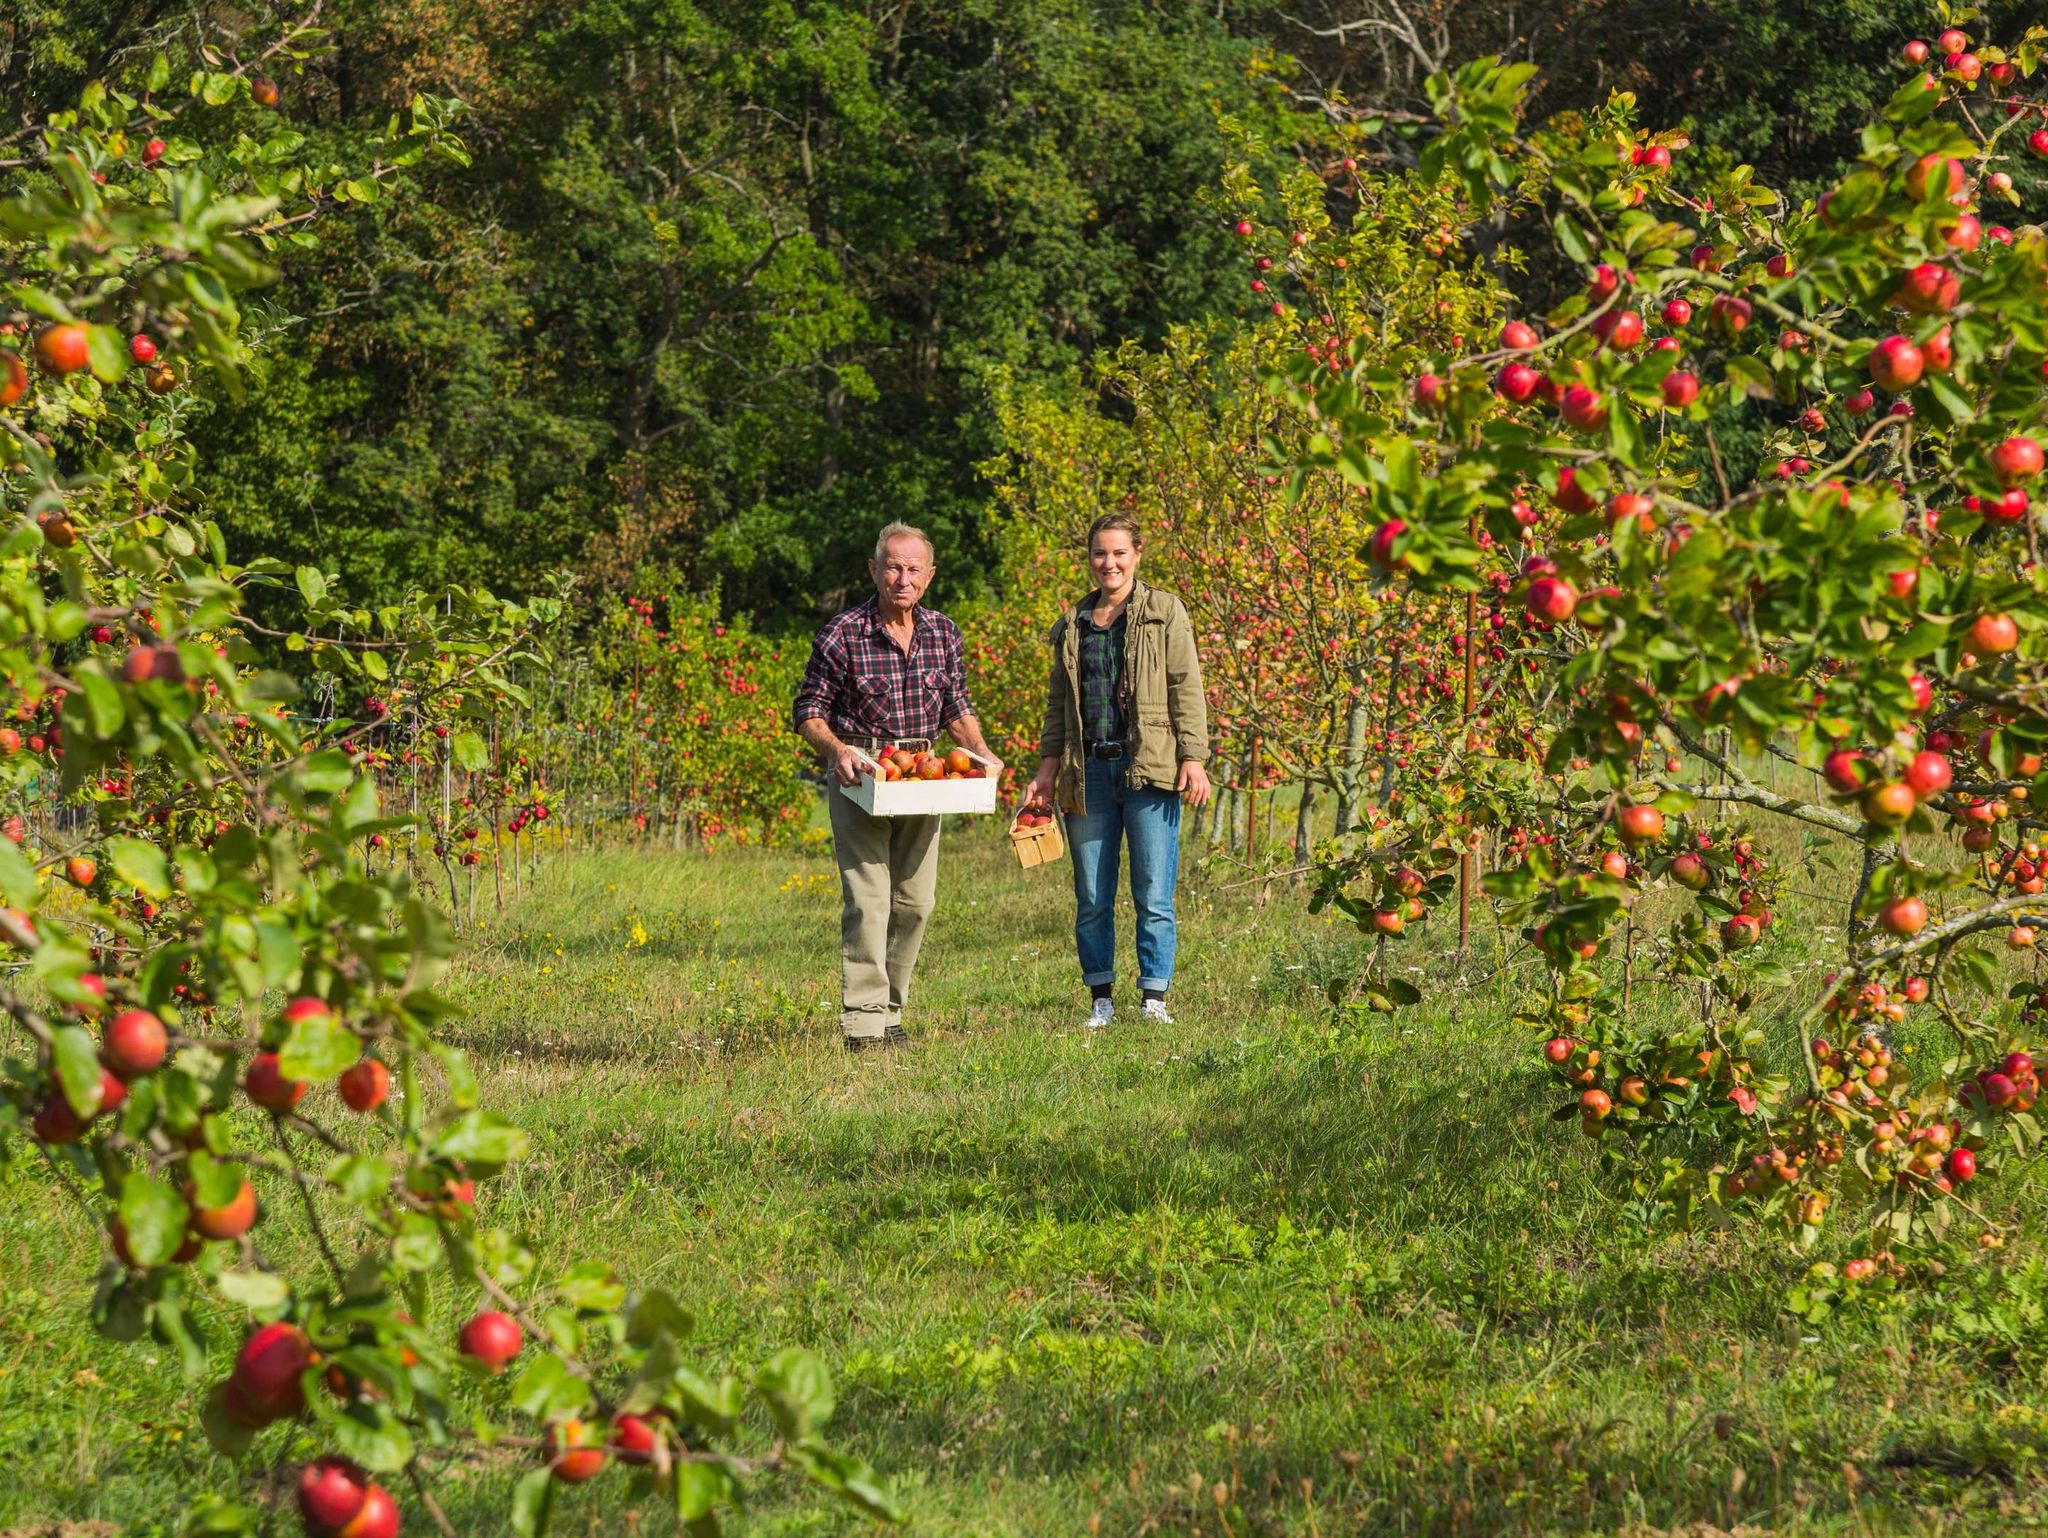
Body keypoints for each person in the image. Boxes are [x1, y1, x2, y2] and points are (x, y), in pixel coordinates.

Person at [795, 523, 1001, 1052]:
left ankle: (891, 1010)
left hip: (924, 775)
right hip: (863, 773)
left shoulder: (943, 632)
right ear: (873, 569)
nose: (901, 578)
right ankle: (864, 1023)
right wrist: (839, 750)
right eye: (892, 566)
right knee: (869, 900)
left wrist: (981, 753)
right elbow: (808, 712)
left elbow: (956, 708)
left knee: (916, 902)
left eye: (913, 569)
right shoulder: (842, 633)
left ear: (929, 577)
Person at [1027, 513, 1210, 1029]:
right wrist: (1047, 768)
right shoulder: (1072, 624)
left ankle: (1154, 995)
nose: (1109, 563)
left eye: (1118, 553)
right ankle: (1100, 997)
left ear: (1137, 554)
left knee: (1153, 891)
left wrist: (1192, 757)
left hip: (1149, 769)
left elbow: (1185, 686)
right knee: (1091, 895)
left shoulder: (1164, 612)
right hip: (1089, 774)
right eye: (1099, 554)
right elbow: (1058, 703)